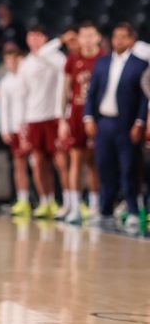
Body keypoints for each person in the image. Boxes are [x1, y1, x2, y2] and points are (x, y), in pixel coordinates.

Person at [84, 23, 148, 234]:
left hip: (126, 124)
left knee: (129, 168)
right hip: (104, 121)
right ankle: (105, 210)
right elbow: (91, 93)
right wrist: (89, 117)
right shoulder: (101, 63)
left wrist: (140, 122)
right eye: (115, 36)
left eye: (123, 37)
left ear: (131, 40)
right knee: (104, 166)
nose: (118, 41)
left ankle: (131, 210)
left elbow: (143, 99)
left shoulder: (140, 65)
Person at [19, 27, 68, 219]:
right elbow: (23, 95)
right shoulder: (26, 64)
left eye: (38, 36)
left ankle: (68, 201)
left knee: (60, 161)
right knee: (38, 162)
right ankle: (46, 202)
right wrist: (22, 124)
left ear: (45, 38)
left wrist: (55, 43)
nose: (34, 40)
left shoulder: (55, 57)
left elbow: (65, 73)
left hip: (53, 117)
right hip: (33, 118)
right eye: (31, 36)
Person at [59, 21, 102, 224]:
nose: (86, 40)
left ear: (97, 37)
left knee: (94, 162)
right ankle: (75, 207)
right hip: (76, 115)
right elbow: (65, 90)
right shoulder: (72, 60)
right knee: (75, 160)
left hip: (98, 117)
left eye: (90, 35)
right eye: (82, 36)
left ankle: (95, 206)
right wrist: (62, 119)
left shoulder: (104, 59)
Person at [0, 47, 31, 217]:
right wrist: (4, 129)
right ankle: (23, 200)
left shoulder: (27, 78)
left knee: (41, 163)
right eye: (7, 60)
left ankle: (48, 199)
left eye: (14, 59)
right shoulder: (5, 82)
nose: (11, 63)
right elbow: (3, 108)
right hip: (15, 128)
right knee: (19, 164)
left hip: (31, 125)